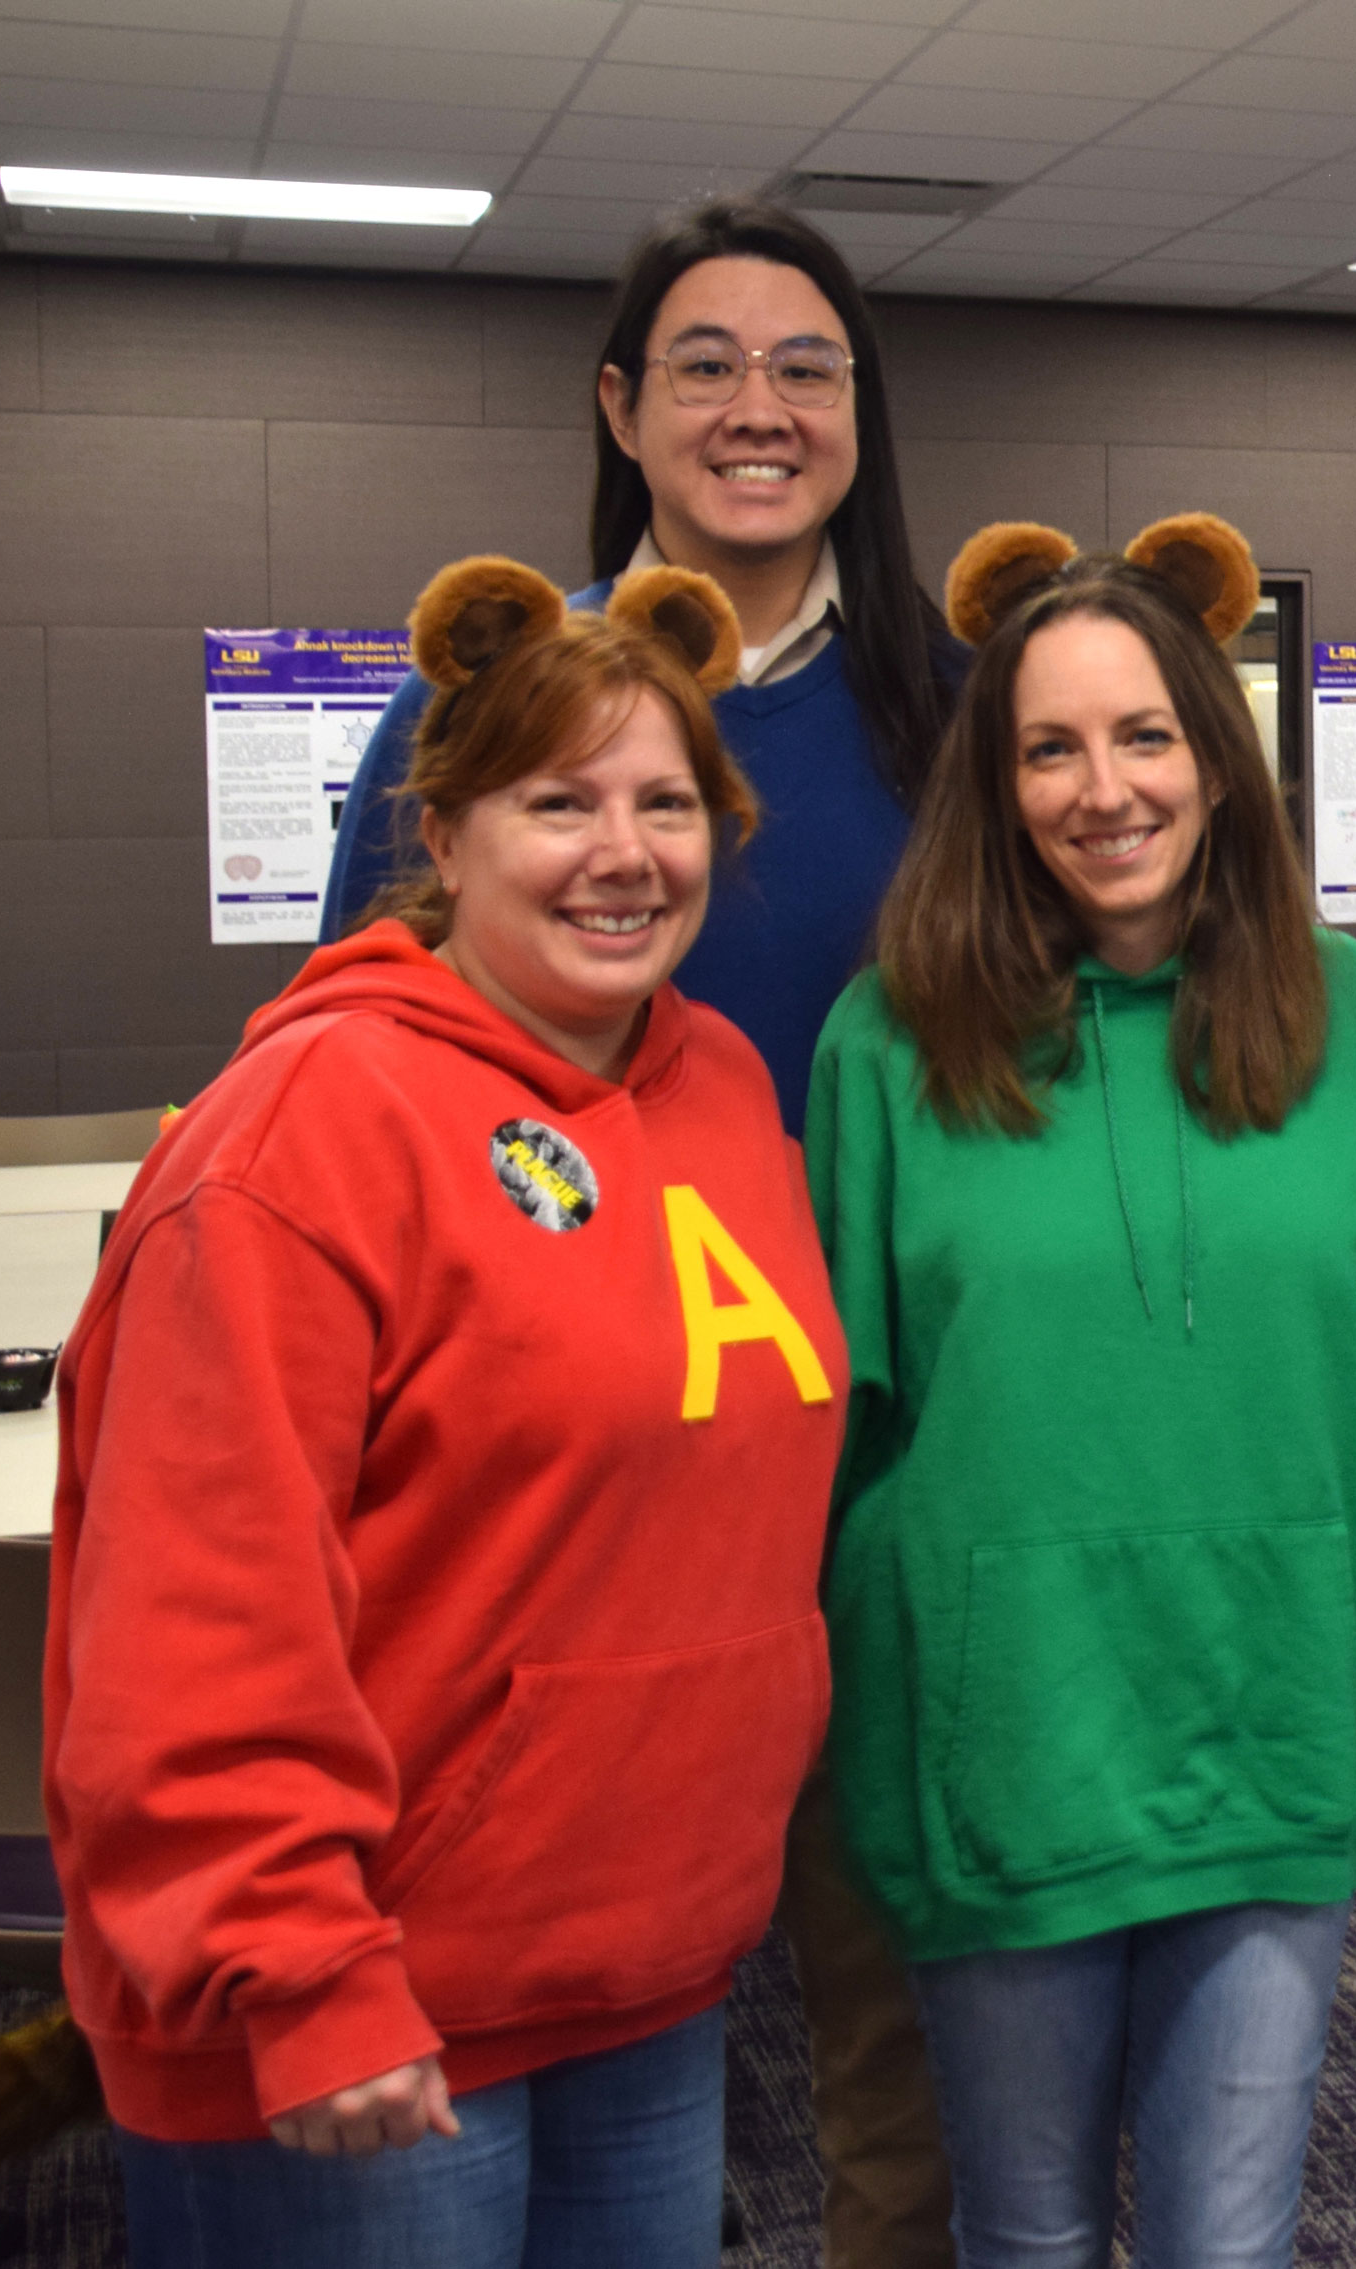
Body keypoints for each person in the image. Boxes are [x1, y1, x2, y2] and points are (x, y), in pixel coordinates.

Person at [46, 558, 846, 2267]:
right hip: (358, 2000)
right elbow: (192, 1601)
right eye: (559, 801)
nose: (624, 852)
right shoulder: (305, 1131)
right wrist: (299, 1962)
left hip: (643, 1961)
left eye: (668, 800)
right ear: (450, 825)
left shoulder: (715, 1085)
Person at [320, 195, 970, 2266]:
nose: (756, 408)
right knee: (562, 2019)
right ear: (621, 405)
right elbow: (365, 1093)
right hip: (563, 1493)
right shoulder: (491, 710)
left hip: (873, 1468)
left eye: (806, 367)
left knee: (892, 2032)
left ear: (860, 419)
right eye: (704, 362)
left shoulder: (951, 719)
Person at [809, 512, 1356, 2269]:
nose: (1106, 788)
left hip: (1274, 1704)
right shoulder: (887, 1037)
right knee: (1029, 2233)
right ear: (994, 789)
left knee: (1230, 2243)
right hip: (1010, 1737)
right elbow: (846, 1411)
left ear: (1219, 765)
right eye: (1050, 747)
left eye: (1146, 734)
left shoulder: (1340, 1013)